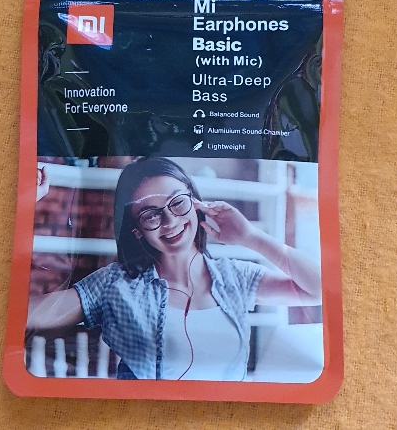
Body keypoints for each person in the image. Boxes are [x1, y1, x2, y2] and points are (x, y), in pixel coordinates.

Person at [28, 158, 321, 381]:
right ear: (136, 230)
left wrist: (251, 237)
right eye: (150, 215)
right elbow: (25, 315)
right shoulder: (114, 285)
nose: (170, 221)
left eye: (178, 203)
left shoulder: (236, 277)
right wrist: (25, 204)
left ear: (196, 203)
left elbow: (318, 290)